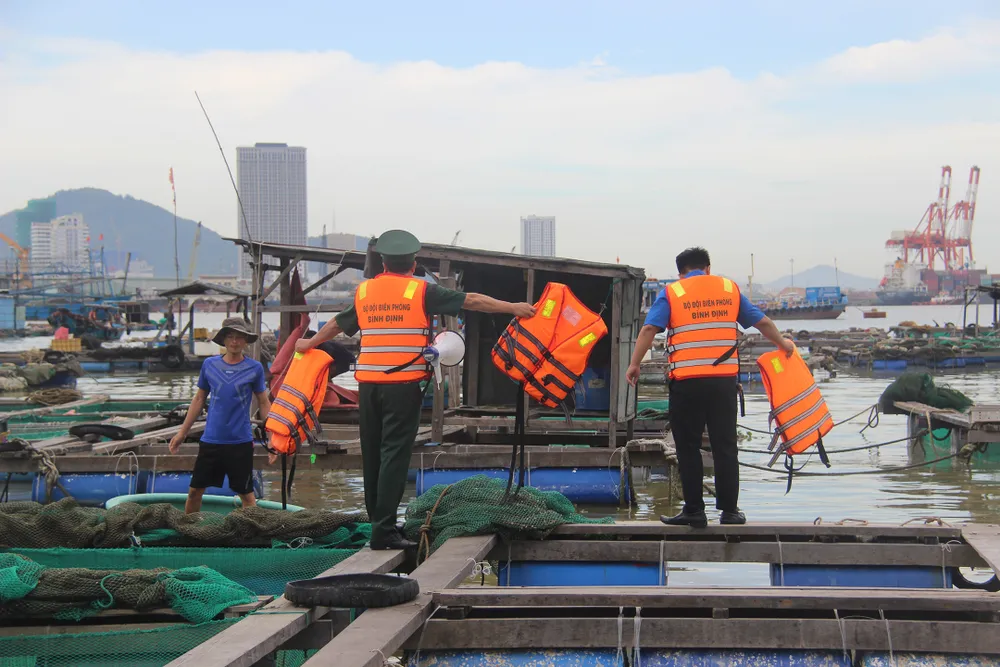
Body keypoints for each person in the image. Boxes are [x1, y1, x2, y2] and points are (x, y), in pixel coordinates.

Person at [297, 229, 536, 550]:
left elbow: (338, 323)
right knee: (394, 454)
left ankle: (379, 522)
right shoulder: (421, 290)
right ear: (413, 264)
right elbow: (472, 300)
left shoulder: (365, 291)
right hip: (402, 386)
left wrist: (310, 342)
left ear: (383, 263)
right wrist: (514, 307)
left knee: (372, 454)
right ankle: (384, 532)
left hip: (368, 385)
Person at [626, 247, 794, 528]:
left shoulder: (673, 292)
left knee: (688, 447)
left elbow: (648, 329)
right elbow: (762, 322)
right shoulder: (729, 289)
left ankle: (694, 511)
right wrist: (783, 344)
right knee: (725, 446)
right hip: (723, 384)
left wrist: (634, 364)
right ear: (707, 268)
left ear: (681, 272)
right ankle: (730, 512)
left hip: (687, 383)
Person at [169, 317, 271, 514]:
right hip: (211, 440)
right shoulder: (209, 365)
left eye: (239, 337)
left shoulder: (255, 368)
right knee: (195, 491)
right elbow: (199, 399)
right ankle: (189, 527)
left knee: (247, 496)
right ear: (223, 339)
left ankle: (252, 530)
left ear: (246, 341)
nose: (234, 341)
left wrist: (272, 437)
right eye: (230, 337)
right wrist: (182, 433)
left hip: (240, 442)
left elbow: (264, 402)